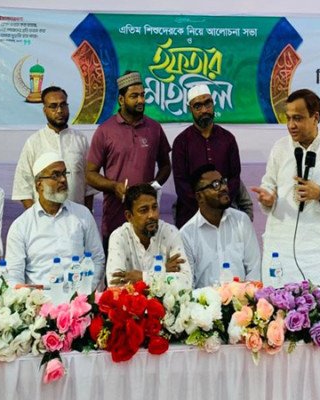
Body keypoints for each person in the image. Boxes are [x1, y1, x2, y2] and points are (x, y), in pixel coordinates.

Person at [251, 89, 320, 286]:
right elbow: (269, 184)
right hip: (281, 248)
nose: (291, 125)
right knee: (277, 303)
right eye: (289, 118)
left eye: (298, 118)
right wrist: (268, 197)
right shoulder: (280, 148)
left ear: (315, 117)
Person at [86, 71, 172, 250]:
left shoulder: (154, 128)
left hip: (146, 220)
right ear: (121, 99)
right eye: (134, 96)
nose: (140, 100)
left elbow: (165, 165)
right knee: (116, 267)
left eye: (142, 95)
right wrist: (114, 186)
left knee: (150, 267)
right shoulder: (105, 131)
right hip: (115, 219)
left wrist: (154, 186)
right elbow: (90, 173)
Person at [6, 153, 105, 290]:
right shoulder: (21, 226)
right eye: (55, 175)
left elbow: (97, 259)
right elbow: (13, 275)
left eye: (64, 174)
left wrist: (85, 292)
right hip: (38, 299)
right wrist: (27, 298)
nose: (63, 180)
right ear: (39, 184)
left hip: (78, 295)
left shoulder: (82, 215)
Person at [172, 84, 251, 228]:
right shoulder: (181, 142)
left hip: (225, 212)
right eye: (198, 106)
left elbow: (234, 178)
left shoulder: (228, 139)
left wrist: (220, 204)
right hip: (191, 217)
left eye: (207, 104)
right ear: (190, 109)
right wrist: (204, 208)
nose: (204, 110)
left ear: (213, 104)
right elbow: (181, 184)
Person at [12, 86, 96, 211]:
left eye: (63, 105)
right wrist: (36, 218)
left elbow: (89, 186)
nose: (59, 110)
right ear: (44, 110)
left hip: (76, 217)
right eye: (53, 106)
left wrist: (86, 215)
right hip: (44, 219)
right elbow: (23, 187)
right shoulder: (33, 142)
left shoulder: (80, 140)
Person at [181, 164, 260, 288]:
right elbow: (188, 283)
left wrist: (247, 295)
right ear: (199, 196)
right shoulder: (186, 234)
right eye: (215, 185)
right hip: (204, 299)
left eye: (223, 182)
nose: (224, 187)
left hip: (243, 298)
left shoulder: (241, 220)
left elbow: (254, 269)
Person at [106, 184, 191, 286]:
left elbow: (186, 282)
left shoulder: (170, 232)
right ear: (129, 216)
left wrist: (142, 277)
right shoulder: (119, 237)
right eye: (144, 210)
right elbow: (114, 284)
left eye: (154, 207)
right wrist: (163, 270)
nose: (152, 215)